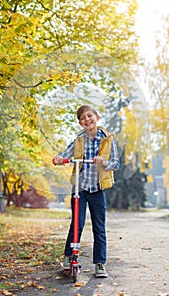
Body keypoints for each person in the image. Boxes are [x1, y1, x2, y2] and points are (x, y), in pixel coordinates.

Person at [53, 105, 119, 278]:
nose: (87, 120)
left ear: (97, 117)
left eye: (89, 116)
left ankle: (100, 264)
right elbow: (66, 153)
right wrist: (60, 158)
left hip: (97, 188)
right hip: (80, 189)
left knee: (99, 227)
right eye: (83, 118)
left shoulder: (108, 139)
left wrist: (103, 162)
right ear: (80, 123)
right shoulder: (79, 139)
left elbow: (116, 163)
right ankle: (69, 257)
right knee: (77, 223)